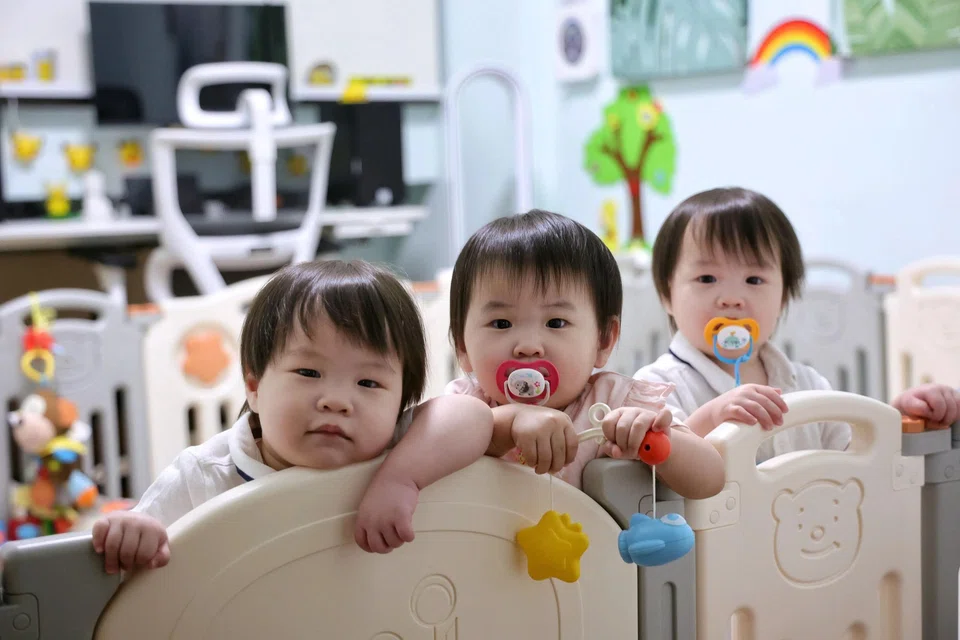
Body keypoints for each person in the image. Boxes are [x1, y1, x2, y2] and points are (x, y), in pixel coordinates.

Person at [92, 260, 494, 574]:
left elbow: (473, 415)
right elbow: (136, 571)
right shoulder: (204, 477)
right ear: (254, 386)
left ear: (400, 403)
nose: (337, 401)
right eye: (308, 373)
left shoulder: (400, 451)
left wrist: (400, 479)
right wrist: (134, 535)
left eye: (369, 383)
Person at [635, 187, 959, 461]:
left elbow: (857, 462)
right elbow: (656, 470)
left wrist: (896, 418)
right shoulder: (654, 387)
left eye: (754, 279)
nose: (732, 298)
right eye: (707, 278)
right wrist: (711, 416)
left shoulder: (808, 384)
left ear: (784, 297)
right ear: (667, 294)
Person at [446, 209, 725, 499]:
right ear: (462, 346)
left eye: (556, 323)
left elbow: (711, 479)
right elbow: (429, 450)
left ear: (603, 340)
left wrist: (659, 442)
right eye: (501, 323)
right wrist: (511, 422)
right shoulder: (464, 407)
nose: (528, 346)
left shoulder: (616, 402)